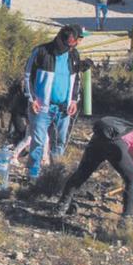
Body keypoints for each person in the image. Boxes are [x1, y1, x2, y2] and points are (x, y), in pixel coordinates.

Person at [57, 117, 133, 222]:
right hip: (115, 141)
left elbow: (128, 160)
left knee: (82, 174)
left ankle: (62, 205)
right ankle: (127, 219)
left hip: (99, 135)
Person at [23, 25, 85, 179]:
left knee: (60, 142)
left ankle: (54, 175)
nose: (74, 45)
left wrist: (74, 100)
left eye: (75, 43)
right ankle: (33, 175)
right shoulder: (41, 51)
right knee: (38, 142)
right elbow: (27, 75)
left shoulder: (74, 56)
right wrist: (31, 99)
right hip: (41, 106)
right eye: (71, 43)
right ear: (61, 39)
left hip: (64, 108)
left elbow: (76, 79)